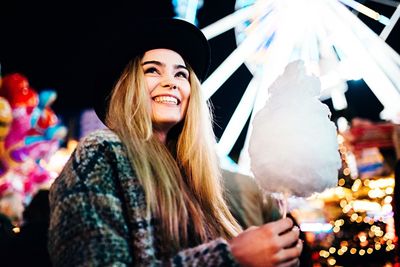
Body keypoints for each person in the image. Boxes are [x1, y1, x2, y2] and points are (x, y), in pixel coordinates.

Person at [48, 17, 303, 266]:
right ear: (128, 85)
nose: (171, 82)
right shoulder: (102, 153)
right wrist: (232, 256)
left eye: (181, 75)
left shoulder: (199, 181)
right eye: (152, 70)